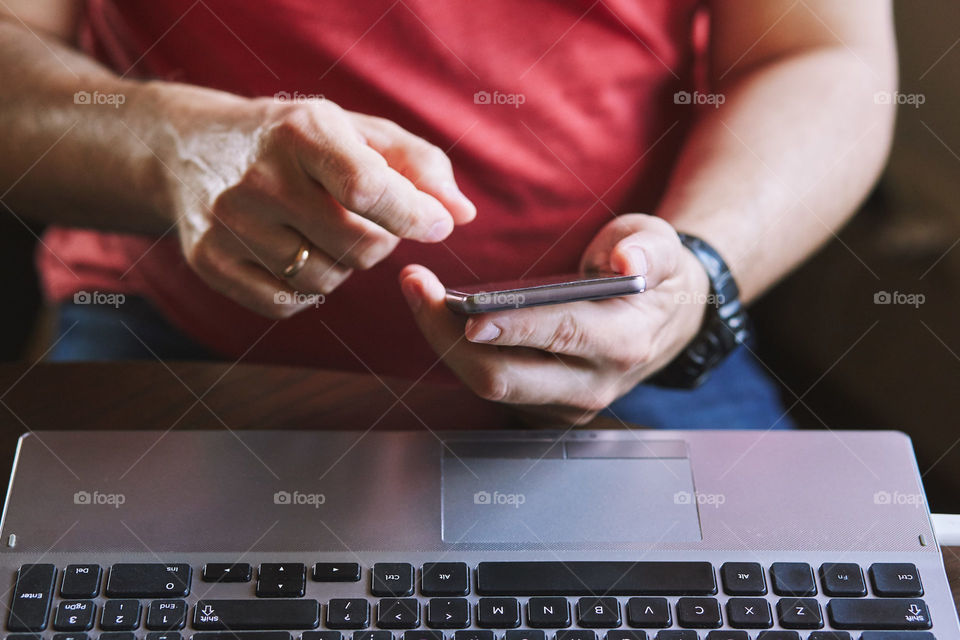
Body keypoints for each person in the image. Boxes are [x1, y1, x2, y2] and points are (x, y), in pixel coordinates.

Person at [0, 1, 896, 427]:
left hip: (647, 355)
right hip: (177, 337)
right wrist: (169, 142)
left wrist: (701, 269)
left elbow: (821, 53)